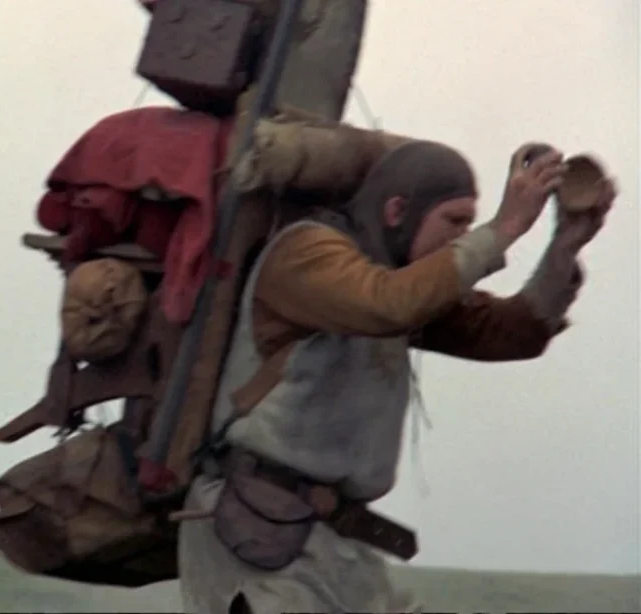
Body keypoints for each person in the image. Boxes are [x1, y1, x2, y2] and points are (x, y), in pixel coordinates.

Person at [177, 141, 616, 614]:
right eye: (453, 221)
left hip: (332, 543)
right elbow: (386, 304)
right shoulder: (306, 253)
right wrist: (504, 228)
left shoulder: (403, 279)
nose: (461, 236)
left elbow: (511, 335)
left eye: (468, 224)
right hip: (257, 528)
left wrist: (565, 244)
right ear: (396, 211)